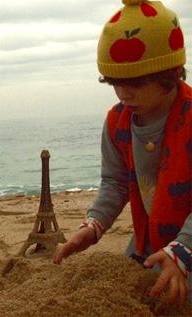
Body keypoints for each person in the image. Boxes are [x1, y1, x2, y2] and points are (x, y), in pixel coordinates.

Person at [53, 0, 191, 305]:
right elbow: (114, 183)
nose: (124, 94)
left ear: (169, 74)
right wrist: (92, 225)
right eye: (116, 83)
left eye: (136, 83)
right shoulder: (118, 121)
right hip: (150, 238)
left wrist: (183, 249)